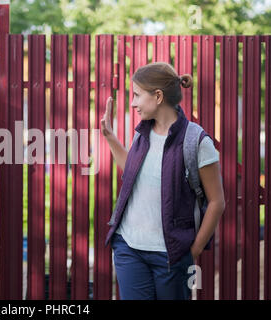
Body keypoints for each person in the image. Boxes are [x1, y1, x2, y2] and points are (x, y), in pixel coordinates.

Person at [101, 62, 225, 300]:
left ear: (157, 96)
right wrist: (110, 137)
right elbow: (134, 174)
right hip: (129, 248)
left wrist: (194, 249)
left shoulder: (196, 141)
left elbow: (217, 201)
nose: (133, 103)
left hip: (170, 256)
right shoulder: (143, 133)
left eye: (137, 95)